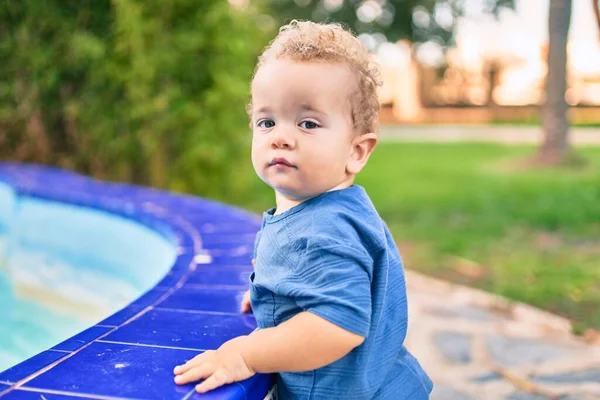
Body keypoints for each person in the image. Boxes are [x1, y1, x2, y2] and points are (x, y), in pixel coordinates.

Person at [173, 20, 433, 399]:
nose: (281, 136)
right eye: (267, 121)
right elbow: (311, 277)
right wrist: (275, 294)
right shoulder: (322, 209)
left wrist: (247, 353)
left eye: (307, 123)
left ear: (355, 151)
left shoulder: (329, 229)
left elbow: (337, 324)